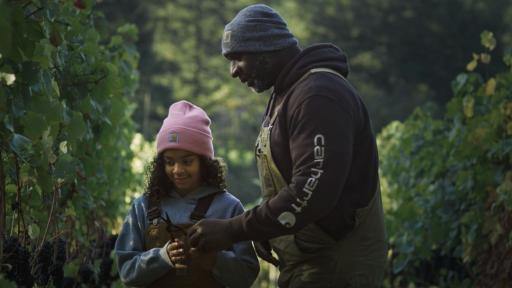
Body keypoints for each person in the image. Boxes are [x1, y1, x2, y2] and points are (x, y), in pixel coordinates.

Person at [188, 4, 387, 287]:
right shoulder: (286, 94)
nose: (233, 72)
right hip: (312, 265)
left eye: (238, 58)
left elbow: (312, 190)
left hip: (336, 267)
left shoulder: (318, 96)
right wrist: (266, 231)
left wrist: (234, 229)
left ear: (265, 51)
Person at [115, 100, 259, 287]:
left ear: (204, 162)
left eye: (187, 161)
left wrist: (215, 260)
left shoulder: (229, 207)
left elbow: (247, 274)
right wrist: (161, 257)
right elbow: (126, 272)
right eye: (169, 161)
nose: (177, 170)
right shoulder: (143, 206)